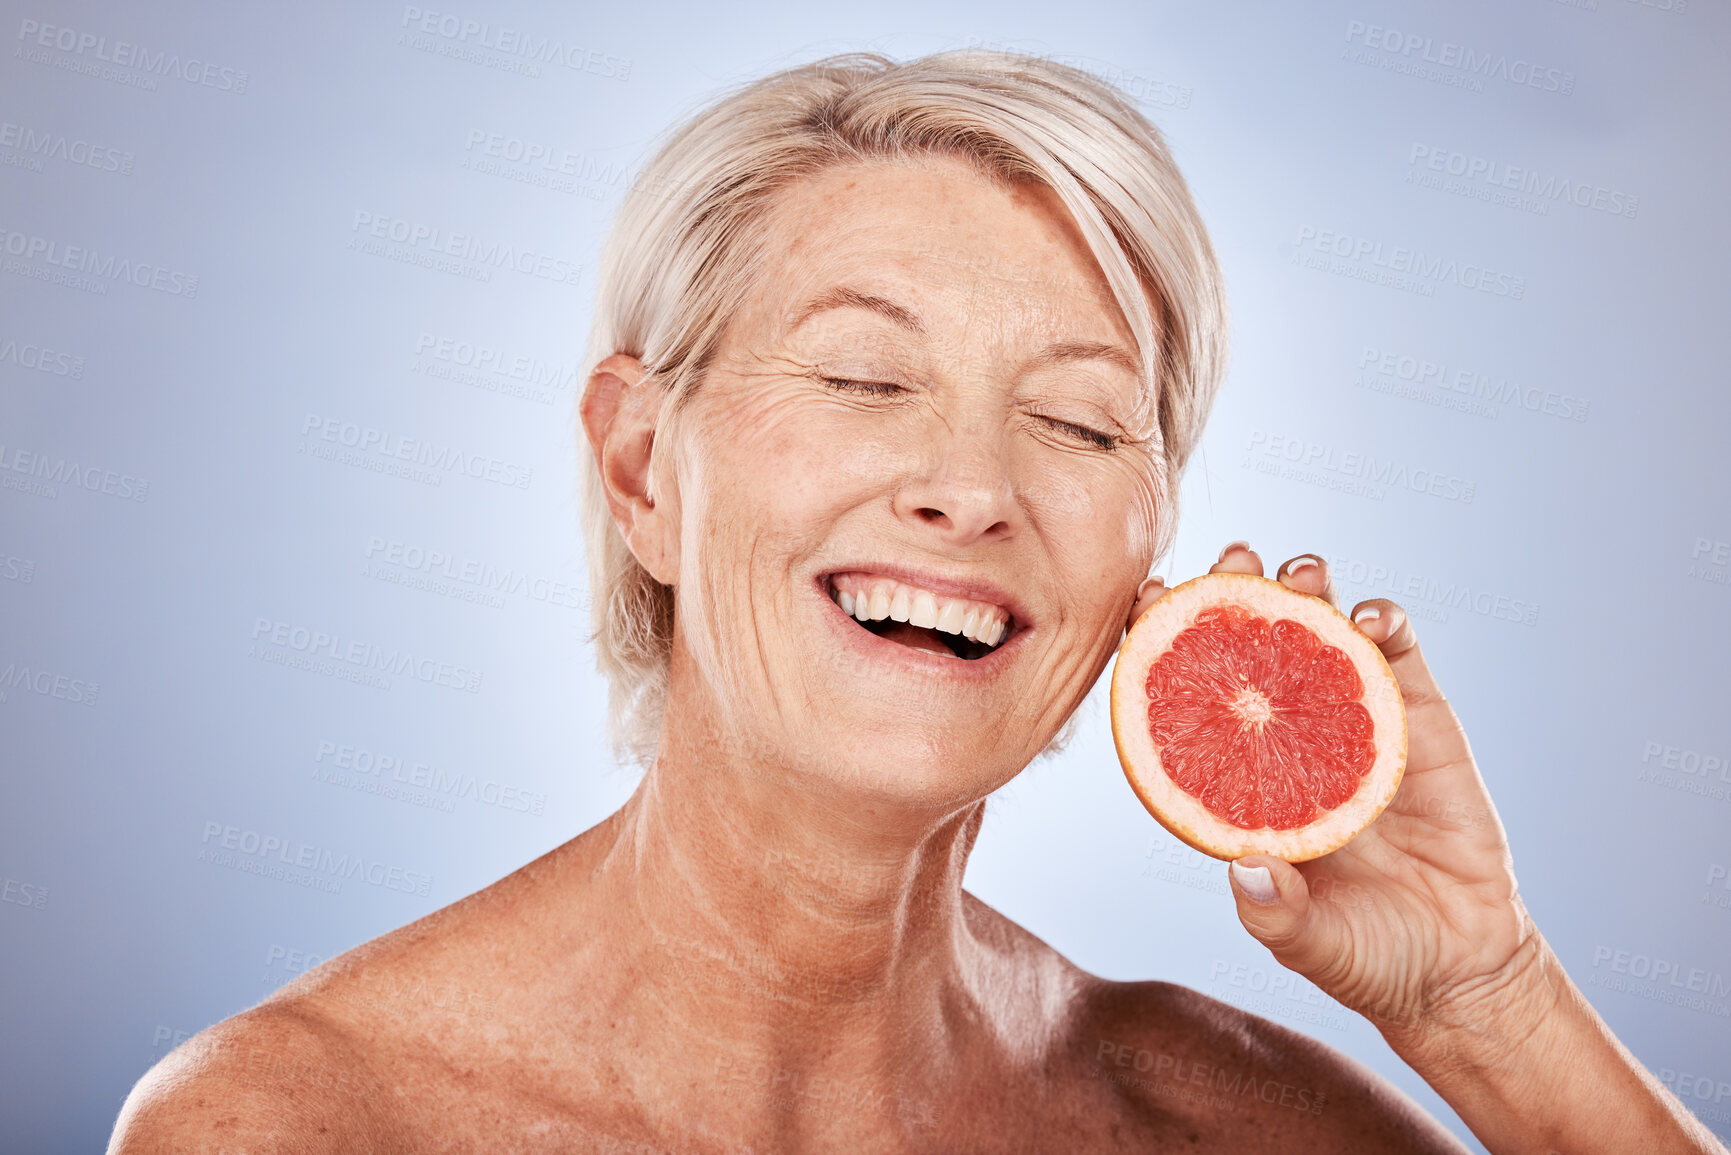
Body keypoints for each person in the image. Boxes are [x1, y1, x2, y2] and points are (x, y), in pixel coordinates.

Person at [109, 51, 1727, 1154]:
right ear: (641, 472)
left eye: (1082, 421)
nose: (973, 487)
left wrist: (1491, 1010)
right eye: (866, 376)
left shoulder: (1235, 1125)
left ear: (1144, 558)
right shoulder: (304, 1121)